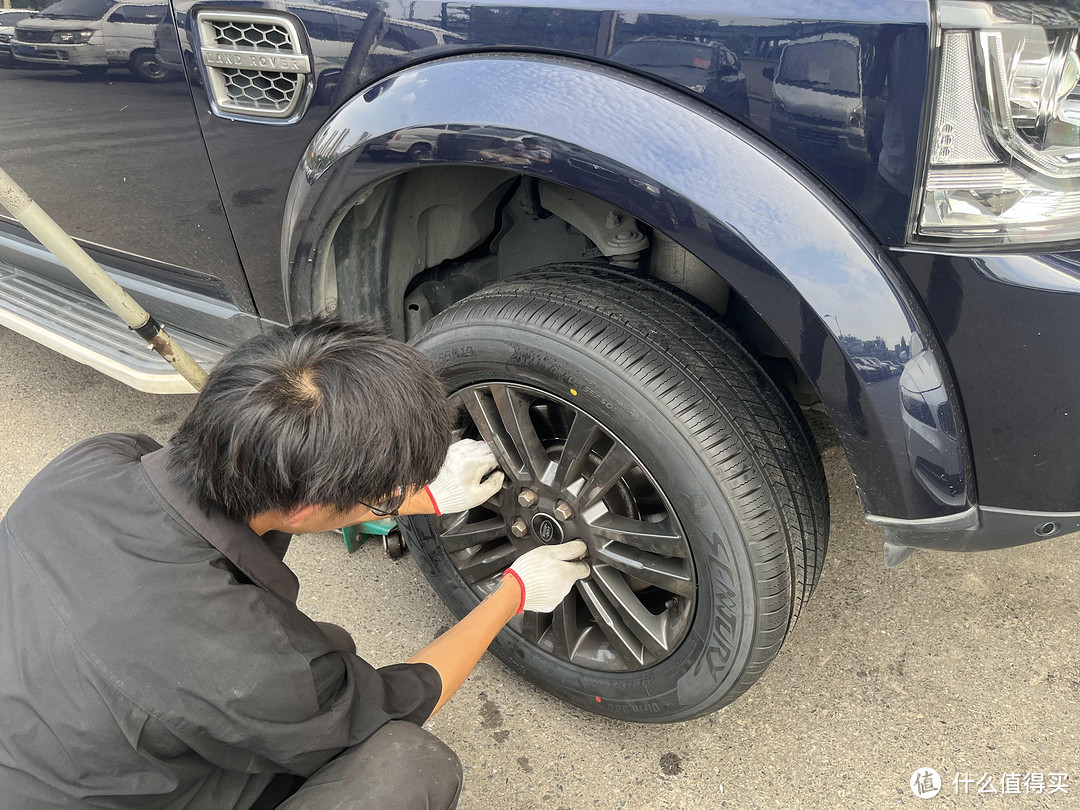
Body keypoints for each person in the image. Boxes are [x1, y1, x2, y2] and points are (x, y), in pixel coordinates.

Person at [0, 317, 590, 809]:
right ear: (307, 506)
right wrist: (513, 592)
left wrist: (420, 496)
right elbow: (399, 701)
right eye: (383, 497)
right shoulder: (254, 662)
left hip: (53, 744)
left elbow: (255, 509)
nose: (395, 500)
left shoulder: (94, 463)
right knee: (405, 765)